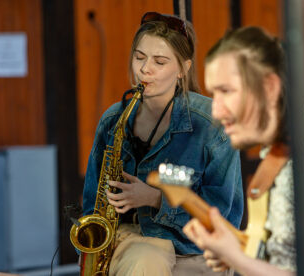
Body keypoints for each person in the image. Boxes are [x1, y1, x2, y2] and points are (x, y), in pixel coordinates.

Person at [183, 26, 304, 275]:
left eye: (226, 91)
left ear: (269, 88)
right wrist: (239, 253)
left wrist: (240, 260)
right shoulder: (285, 151)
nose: (216, 112)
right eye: (213, 94)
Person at [82, 11, 243, 275]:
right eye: (139, 57)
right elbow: (92, 202)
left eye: (159, 61)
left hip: (194, 246)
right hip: (126, 239)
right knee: (144, 260)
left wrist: (156, 199)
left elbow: (222, 216)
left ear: (183, 69)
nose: (145, 69)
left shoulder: (212, 125)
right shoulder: (113, 120)